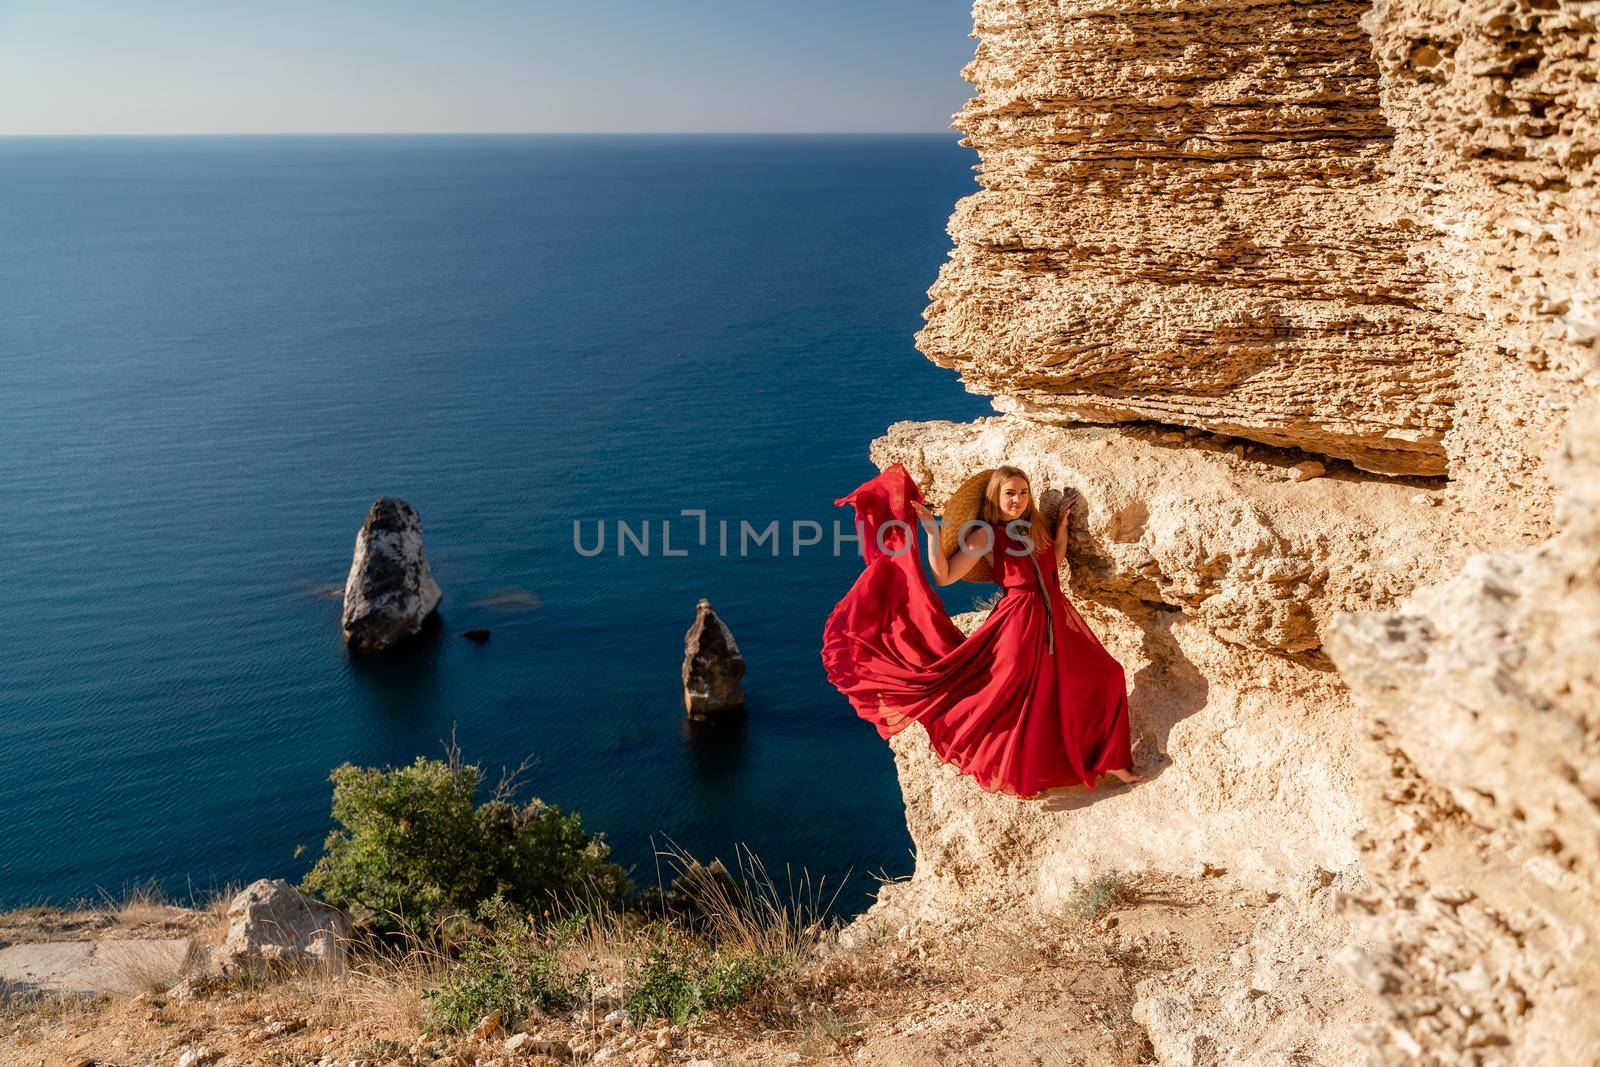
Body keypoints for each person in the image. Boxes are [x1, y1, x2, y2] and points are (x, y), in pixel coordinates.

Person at [820, 462, 1141, 797]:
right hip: (1018, 622)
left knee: (1107, 675)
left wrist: (1060, 525)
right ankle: (1016, 769)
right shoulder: (986, 533)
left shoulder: (1034, 527)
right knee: (1015, 695)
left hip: (1056, 617)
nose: (1017, 499)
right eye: (1010, 493)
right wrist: (932, 534)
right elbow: (944, 576)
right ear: (995, 497)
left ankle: (1110, 759)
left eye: (1023, 492)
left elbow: (1054, 562)